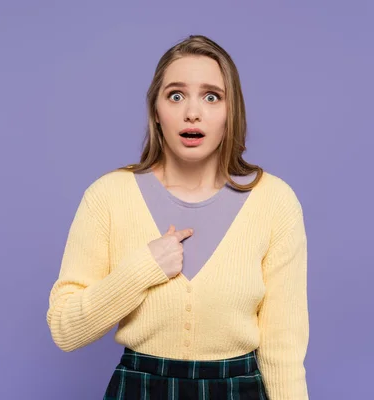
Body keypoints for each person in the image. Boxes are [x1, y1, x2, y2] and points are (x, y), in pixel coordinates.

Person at [46, 34, 309, 400]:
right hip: (140, 389)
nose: (192, 112)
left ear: (231, 110)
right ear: (156, 110)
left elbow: (284, 350)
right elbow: (65, 329)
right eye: (176, 95)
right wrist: (143, 268)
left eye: (212, 96)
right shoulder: (108, 196)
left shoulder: (274, 201)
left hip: (239, 390)